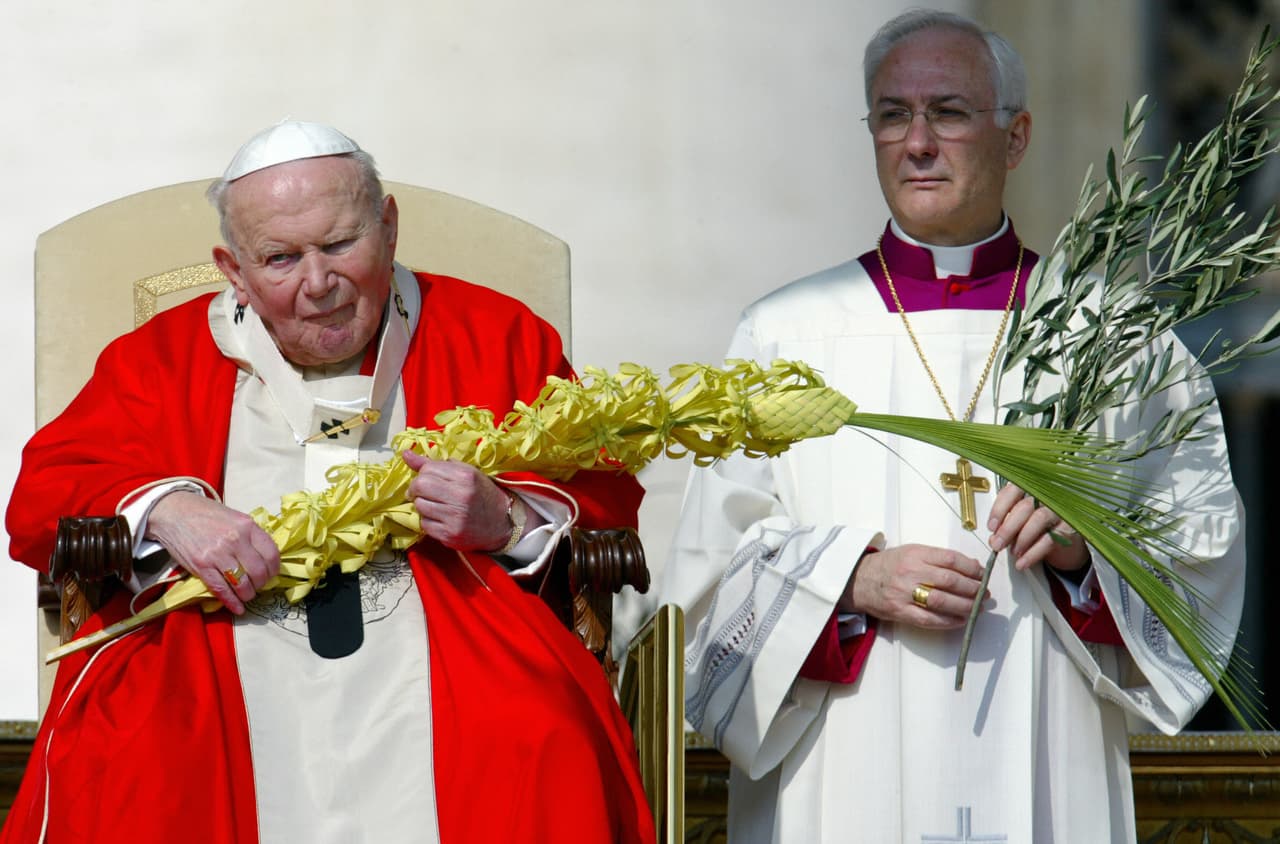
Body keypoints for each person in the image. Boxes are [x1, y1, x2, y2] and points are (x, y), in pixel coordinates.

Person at [662, 10, 1245, 843]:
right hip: (846, 759)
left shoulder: (1112, 336)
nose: (918, 142)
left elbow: (1200, 548)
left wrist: (1087, 555)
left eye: (950, 111)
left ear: (1016, 137)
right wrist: (848, 584)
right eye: (893, 115)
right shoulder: (782, 335)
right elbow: (708, 585)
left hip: (1051, 745)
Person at [3, 121, 654, 843]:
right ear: (233, 268)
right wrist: (169, 511)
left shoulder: (494, 334)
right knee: (137, 766)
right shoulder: (161, 359)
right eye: (281, 259)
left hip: (454, 649)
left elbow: (604, 494)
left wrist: (504, 520)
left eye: (340, 245)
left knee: (541, 735)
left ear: (389, 225)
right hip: (215, 653)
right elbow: (45, 494)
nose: (318, 284)